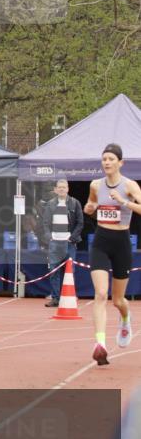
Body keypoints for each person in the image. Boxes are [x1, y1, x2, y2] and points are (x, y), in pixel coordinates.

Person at [84, 143, 141, 366]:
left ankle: (126, 319)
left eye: (110, 159)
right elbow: (91, 204)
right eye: (104, 159)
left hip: (121, 243)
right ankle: (100, 344)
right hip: (100, 241)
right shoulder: (96, 185)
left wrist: (124, 202)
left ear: (120, 163)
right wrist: (89, 207)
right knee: (100, 294)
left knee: (118, 300)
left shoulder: (129, 185)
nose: (106, 162)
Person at [40, 178, 84, 307]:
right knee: (54, 271)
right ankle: (55, 298)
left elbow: (80, 223)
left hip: (69, 243)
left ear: (68, 189)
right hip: (54, 243)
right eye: (59, 187)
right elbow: (45, 223)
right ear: (55, 189)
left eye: (63, 187)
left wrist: (72, 237)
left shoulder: (75, 203)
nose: (61, 189)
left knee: (70, 271)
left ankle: (68, 297)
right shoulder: (50, 204)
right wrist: (49, 236)